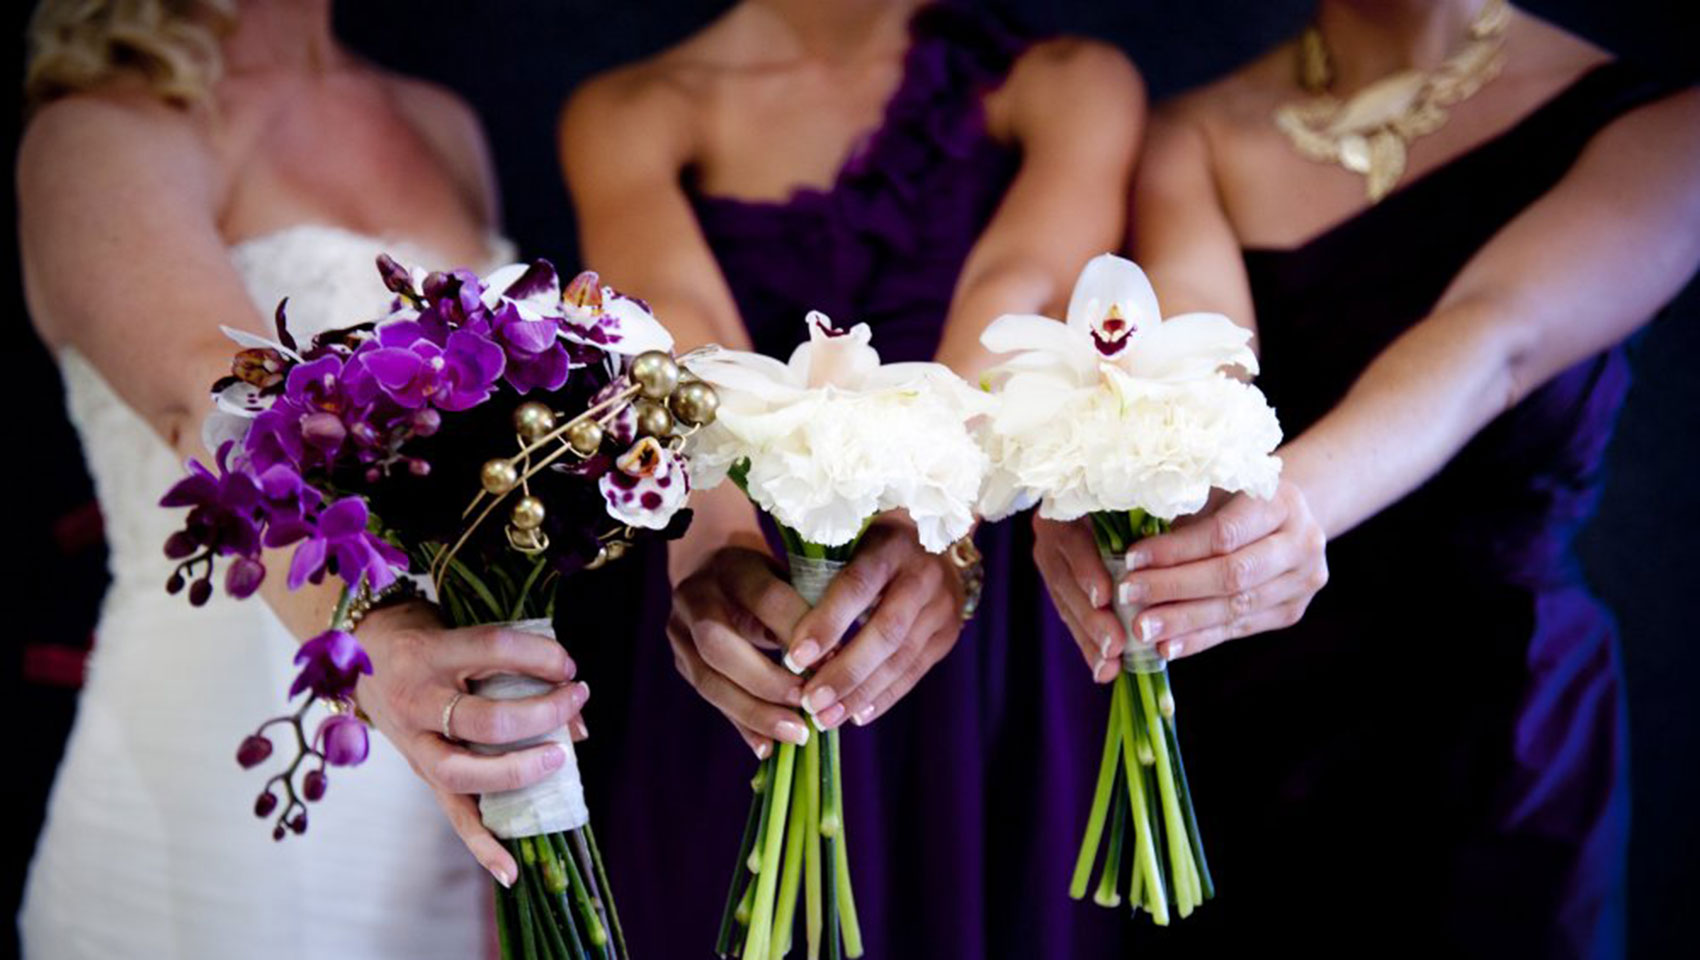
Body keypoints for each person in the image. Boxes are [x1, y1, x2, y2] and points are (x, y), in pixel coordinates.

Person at [1032, 0, 1699, 955]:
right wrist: (1113, 471)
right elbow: (1205, 368)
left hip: (1500, 727)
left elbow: (1493, 342)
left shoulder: (1663, 124)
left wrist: (1289, 505)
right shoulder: (1195, 134)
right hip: (1245, 712)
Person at [558, 0, 1143, 955]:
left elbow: (1021, 286)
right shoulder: (630, 111)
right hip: (742, 598)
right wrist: (716, 534)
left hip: (976, 608)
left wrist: (938, 526)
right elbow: (673, 326)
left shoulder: (1067, 83)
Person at [18, 1, 592, 956]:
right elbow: (206, 402)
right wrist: (374, 640)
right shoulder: (98, 132)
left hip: (448, 793)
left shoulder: (440, 123)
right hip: (217, 800)